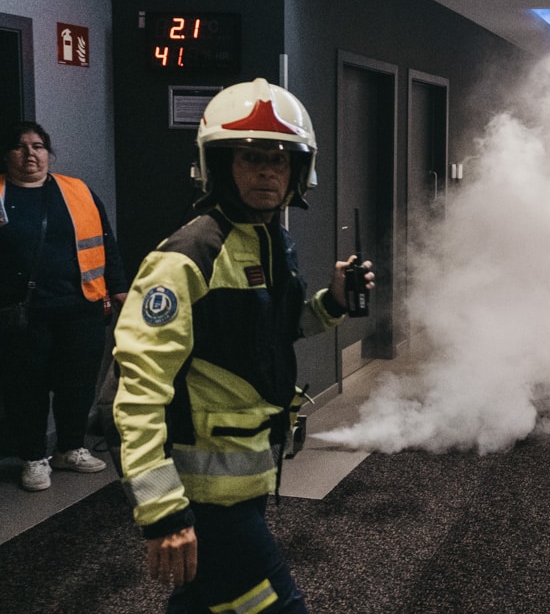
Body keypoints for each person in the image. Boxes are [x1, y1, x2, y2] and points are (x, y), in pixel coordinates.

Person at [112, 78, 374, 613]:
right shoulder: (186, 258)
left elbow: (270, 332)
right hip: (202, 496)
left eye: (279, 160)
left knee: (203, 602)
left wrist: (334, 302)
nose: (267, 172)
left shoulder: (272, 242)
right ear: (219, 166)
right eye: (251, 157)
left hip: (249, 477)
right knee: (273, 604)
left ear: (298, 171)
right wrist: (162, 512)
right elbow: (137, 395)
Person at [0, 121, 128, 492]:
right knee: (27, 388)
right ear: (7, 155)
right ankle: (33, 458)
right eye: (20, 147)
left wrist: (119, 290)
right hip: (24, 314)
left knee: (78, 384)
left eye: (38, 146)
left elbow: (106, 243)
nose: (30, 154)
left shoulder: (78, 191)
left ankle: (70, 448)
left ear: (49, 153)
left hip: (81, 306)